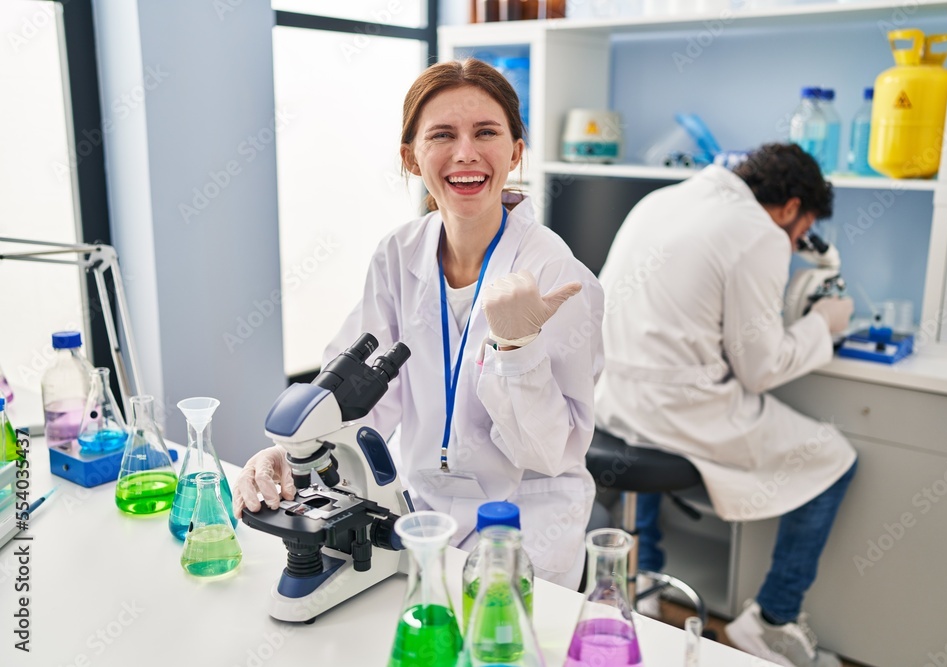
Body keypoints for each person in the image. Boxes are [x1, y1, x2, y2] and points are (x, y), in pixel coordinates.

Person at [234, 59, 604, 589]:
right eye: (442, 135)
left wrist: (518, 349)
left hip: (525, 523)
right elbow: (364, 396)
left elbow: (549, 453)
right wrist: (293, 454)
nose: (466, 153)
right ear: (411, 157)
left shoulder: (558, 277)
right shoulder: (397, 254)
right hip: (422, 514)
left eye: (486, 132)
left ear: (516, 151)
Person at [594, 143, 857, 667]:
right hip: (677, 411)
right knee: (834, 458)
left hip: (610, 400)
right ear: (790, 208)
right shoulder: (760, 234)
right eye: (801, 228)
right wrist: (822, 324)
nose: (800, 240)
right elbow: (761, 369)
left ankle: (643, 584)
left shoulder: (664, 199)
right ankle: (772, 620)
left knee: (645, 439)